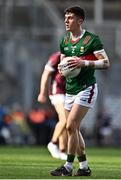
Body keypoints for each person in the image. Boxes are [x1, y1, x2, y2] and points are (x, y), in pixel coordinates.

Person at [50, 6, 110, 176]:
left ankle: (68, 166)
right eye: (65, 17)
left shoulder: (91, 40)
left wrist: (85, 63)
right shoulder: (65, 40)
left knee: (70, 126)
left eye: (69, 18)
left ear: (80, 21)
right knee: (74, 130)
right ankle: (84, 167)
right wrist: (64, 68)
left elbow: (106, 63)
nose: (66, 21)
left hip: (86, 88)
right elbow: (63, 63)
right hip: (70, 89)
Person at [37, 52, 67, 160]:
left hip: (69, 92)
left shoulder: (77, 55)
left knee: (65, 122)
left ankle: (63, 150)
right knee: (64, 119)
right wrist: (42, 92)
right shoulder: (57, 56)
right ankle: (53, 143)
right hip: (57, 91)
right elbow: (46, 74)